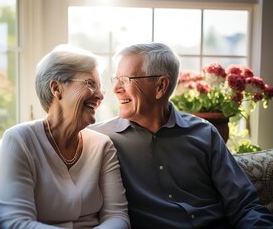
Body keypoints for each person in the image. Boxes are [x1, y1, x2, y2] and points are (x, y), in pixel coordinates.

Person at [91, 42, 273, 228]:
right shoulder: (101, 139)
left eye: (126, 79)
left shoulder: (205, 133)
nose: (116, 89)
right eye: (117, 79)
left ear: (161, 85)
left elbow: (244, 205)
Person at [0, 44, 130, 229]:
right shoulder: (20, 140)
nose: (99, 95)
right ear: (56, 88)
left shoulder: (102, 145)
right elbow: (16, 224)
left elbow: (118, 217)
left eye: (100, 88)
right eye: (90, 84)